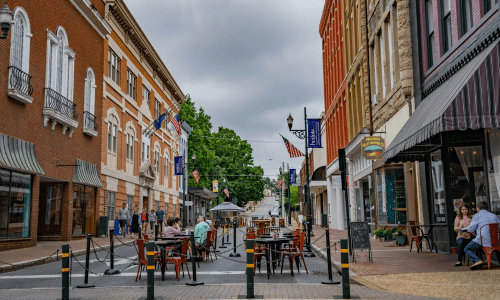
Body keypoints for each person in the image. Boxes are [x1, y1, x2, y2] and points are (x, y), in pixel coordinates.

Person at [463, 201, 500, 270]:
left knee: (467, 248)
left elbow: (470, 229)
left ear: (478, 208)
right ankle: (478, 263)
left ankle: (477, 260)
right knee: (475, 245)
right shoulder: (494, 215)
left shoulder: (477, 215)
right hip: (495, 241)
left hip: (482, 241)